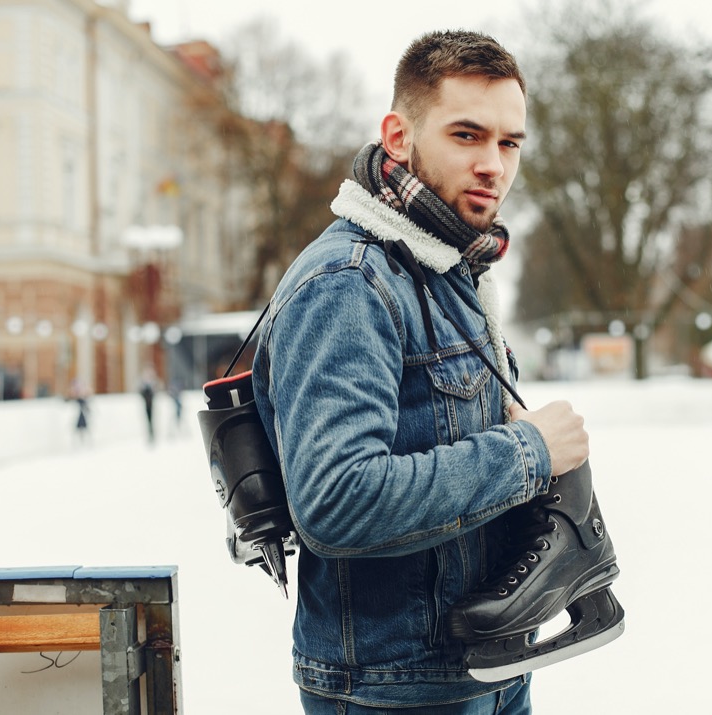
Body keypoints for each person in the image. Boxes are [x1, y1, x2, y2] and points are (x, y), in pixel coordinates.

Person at [252, 30, 589, 714]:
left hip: (490, 669)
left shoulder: (448, 268)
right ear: (398, 137)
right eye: (467, 135)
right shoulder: (349, 283)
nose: (493, 163)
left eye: (509, 142)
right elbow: (337, 500)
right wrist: (529, 451)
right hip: (393, 692)